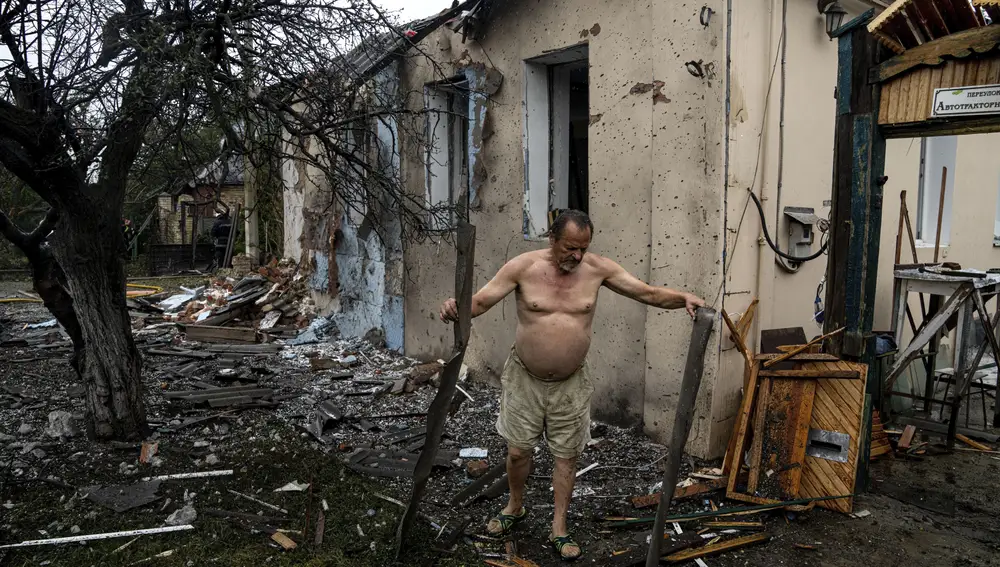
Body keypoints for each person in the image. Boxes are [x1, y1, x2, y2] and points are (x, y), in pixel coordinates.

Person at [439, 209, 705, 561]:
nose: (577, 256)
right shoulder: (522, 267)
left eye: (583, 248)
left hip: (571, 383)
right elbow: (481, 302)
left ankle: (559, 527)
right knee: (518, 451)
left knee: (566, 456)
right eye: (570, 248)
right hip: (524, 379)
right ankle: (515, 506)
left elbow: (649, 293)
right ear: (552, 239)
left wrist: (682, 298)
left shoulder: (598, 269)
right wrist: (456, 307)